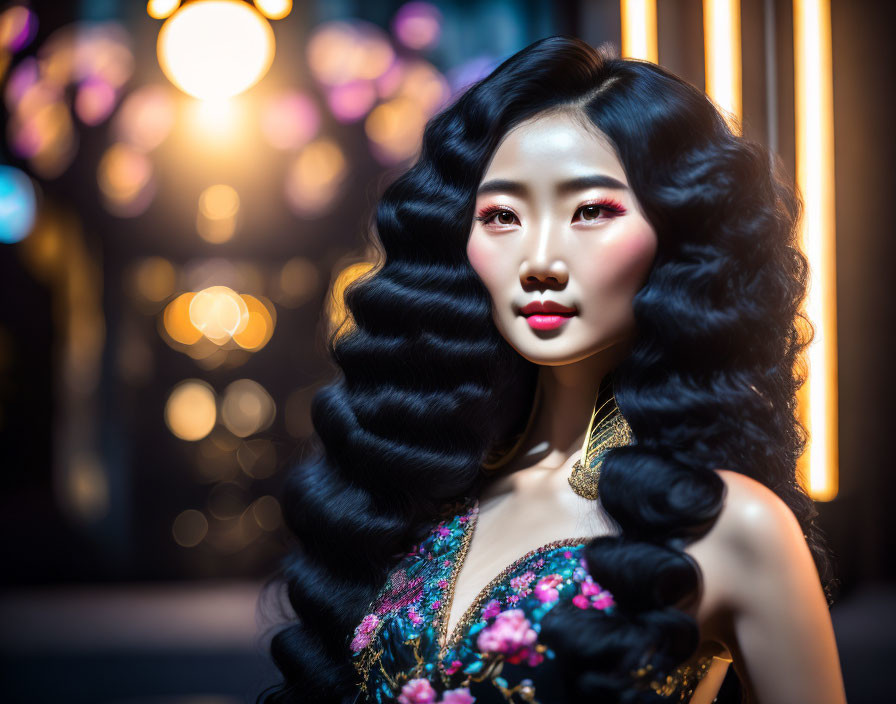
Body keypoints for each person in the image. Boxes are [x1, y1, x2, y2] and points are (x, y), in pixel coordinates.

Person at [258, 36, 846, 704]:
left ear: (680, 235)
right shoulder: (418, 496)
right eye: (502, 215)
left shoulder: (733, 524)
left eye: (591, 211)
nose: (540, 258)